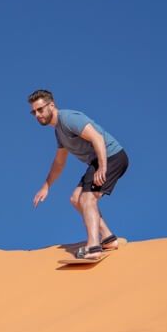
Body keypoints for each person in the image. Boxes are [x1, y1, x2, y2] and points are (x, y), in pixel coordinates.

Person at [28, 89, 129, 260]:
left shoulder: (68, 118)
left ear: (51, 105)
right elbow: (59, 162)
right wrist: (46, 186)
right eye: (33, 112)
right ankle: (108, 238)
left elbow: (97, 138)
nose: (37, 114)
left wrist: (102, 167)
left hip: (111, 156)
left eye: (40, 109)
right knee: (76, 199)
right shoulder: (58, 131)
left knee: (87, 199)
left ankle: (93, 246)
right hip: (99, 161)